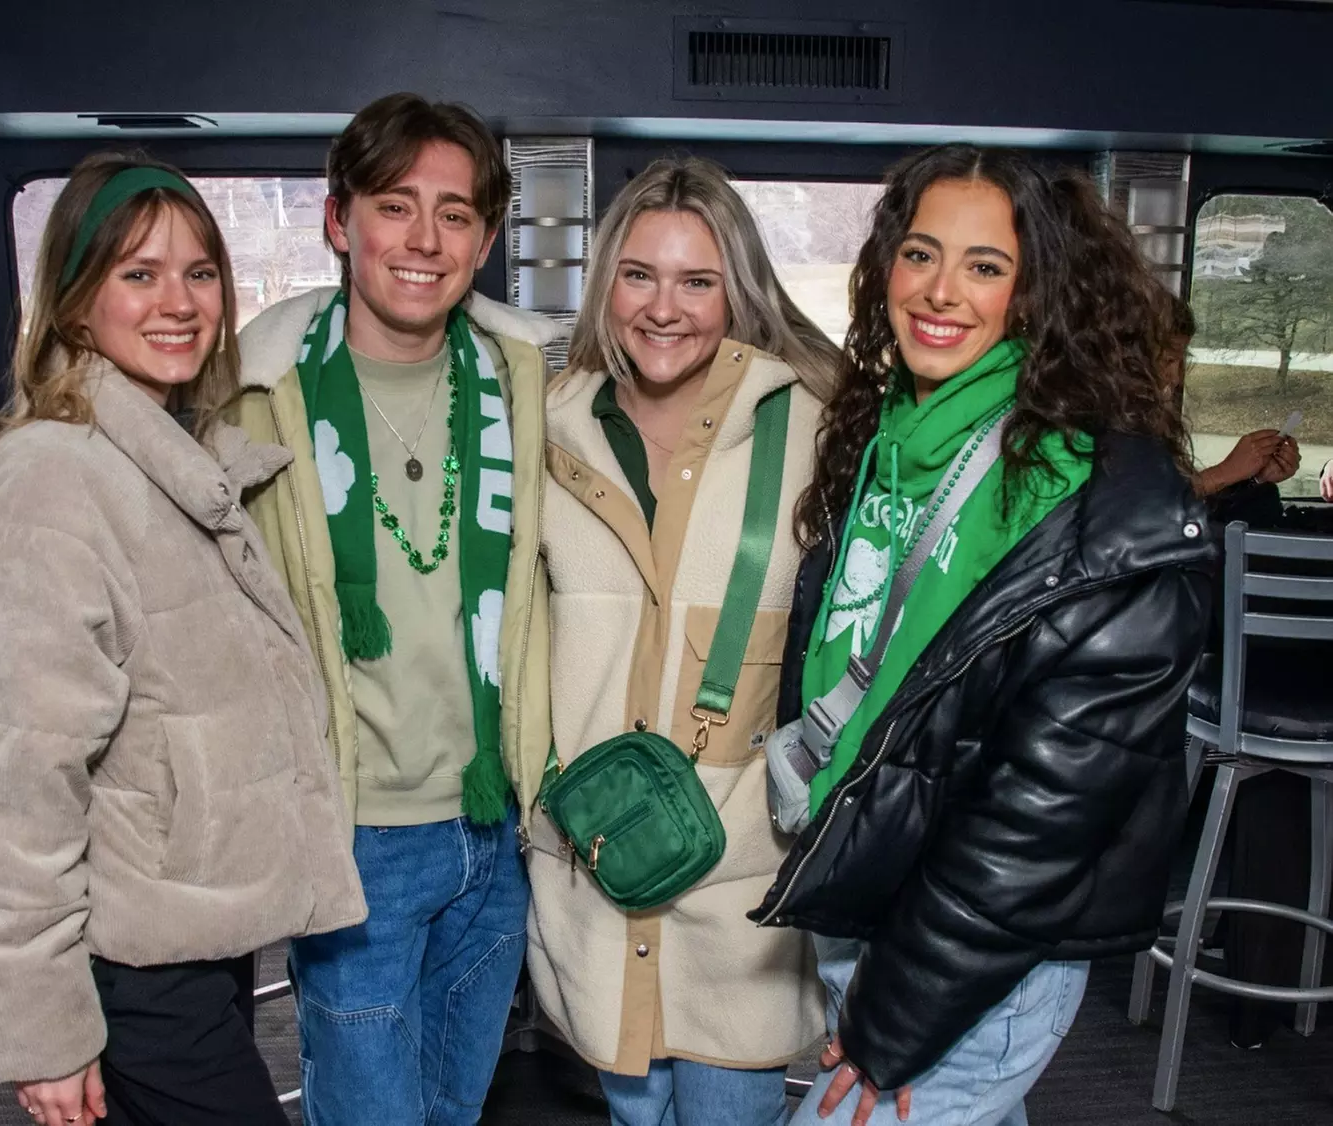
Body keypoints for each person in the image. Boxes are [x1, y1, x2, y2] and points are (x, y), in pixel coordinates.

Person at [749, 144, 1217, 1126]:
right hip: (875, 889)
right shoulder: (890, 439)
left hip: (969, 951)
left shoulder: (1100, 505)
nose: (940, 290)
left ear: (1037, 292)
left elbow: (1039, 820)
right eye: (919, 254)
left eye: (984, 266)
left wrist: (896, 1015)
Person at [0, 154, 365, 1126]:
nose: (178, 302)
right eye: (138, 273)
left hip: (180, 937)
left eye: (198, 272)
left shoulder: (159, 458)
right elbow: (11, 790)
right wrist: (45, 1032)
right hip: (123, 965)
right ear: (77, 302)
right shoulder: (53, 483)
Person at [230, 93, 561, 1125]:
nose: (423, 241)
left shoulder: (526, 386)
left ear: (486, 237)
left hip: (493, 821)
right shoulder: (253, 395)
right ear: (339, 221)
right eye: (393, 205)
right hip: (355, 832)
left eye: (454, 214)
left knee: (455, 1108)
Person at [526, 157, 841, 1126]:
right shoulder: (547, 423)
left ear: (735, 287)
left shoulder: (818, 425)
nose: (664, 308)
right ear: (603, 285)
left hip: (738, 882)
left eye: (696, 280)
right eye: (638, 275)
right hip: (596, 858)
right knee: (629, 1112)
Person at [1158, 293, 1300, 499]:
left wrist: (1255, 477)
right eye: (1168, 361)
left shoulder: (1148, 422)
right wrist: (1225, 472)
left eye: (1181, 362)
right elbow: (1141, 509)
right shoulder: (1104, 426)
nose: (1176, 377)